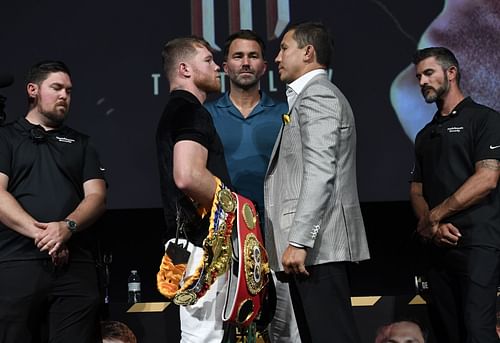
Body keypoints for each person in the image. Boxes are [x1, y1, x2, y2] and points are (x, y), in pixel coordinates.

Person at [264, 22, 370, 343]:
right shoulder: (308, 97)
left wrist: (300, 241)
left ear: (308, 52)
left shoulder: (318, 96)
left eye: (284, 48)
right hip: (314, 250)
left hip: (318, 249)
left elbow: (321, 171)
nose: (277, 57)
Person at [0, 60, 107, 342]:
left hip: (74, 268)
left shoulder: (82, 143)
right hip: (17, 262)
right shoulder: (6, 138)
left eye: (69, 91)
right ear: (33, 90)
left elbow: (96, 196)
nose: (64, 96)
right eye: (56, 88)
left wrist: (67, 227)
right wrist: (44, 235)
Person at [204, 29, 300, 343]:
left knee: (284, 332)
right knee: (222, 332)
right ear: (226, 65)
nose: (246, 63)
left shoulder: (285, 113)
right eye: (238, 56)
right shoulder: (205, 116)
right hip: (223, 236)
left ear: (263, 66)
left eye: (253, 56)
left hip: (277, 234)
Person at [409, 46, 500, 343]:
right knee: (449, 333)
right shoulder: (425, 134)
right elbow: (416, 190)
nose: (422, 81)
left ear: (451, 73)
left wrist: (435, 216)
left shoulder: (485, 120)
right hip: (438, 247)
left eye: (429, 73)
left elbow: (487, 178)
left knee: (478, 331)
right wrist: (432, 227)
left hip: (477, 244)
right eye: (419, 76)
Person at [156, 36, 231, 343]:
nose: (218, 67)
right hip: (202, 248)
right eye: (208, 61)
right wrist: (237, 206)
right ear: (185, 69)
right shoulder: (190, 111)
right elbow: (186, 176)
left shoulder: (177, 110)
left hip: (187, 245)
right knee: (205, 338)